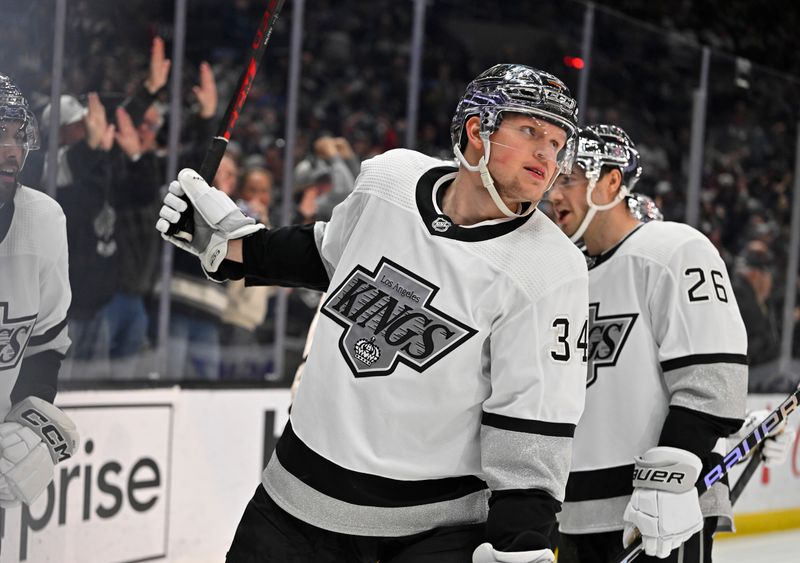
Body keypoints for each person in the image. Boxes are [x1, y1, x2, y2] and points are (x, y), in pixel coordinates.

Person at [158, 63, 589, 563]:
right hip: (290, 502)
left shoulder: (551, 270)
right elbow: (331, 255)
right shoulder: (389, 181)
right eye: (531, 130)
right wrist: (234, 246)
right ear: (478, 129)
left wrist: (524, 543)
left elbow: (532, 424)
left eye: (558, 143)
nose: (547, 153)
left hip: (432, 533)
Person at [547, 124, 749, 562]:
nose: (554, 195)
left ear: (611, 181)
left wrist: (668, 480)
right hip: (575, 514)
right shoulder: (564, 274)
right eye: (552, 181)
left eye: (568, 180)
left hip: (659, 510)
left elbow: (714, 378)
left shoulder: (672, 248)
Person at [0, 73, 79, 508]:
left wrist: (24, 431)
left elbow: (45, 344)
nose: (11, 150)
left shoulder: (44, 220)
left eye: (18, 134)